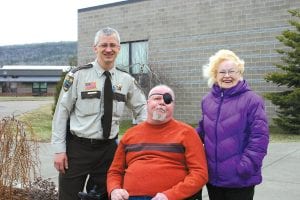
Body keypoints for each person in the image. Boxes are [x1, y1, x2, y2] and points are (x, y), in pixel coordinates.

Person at [52, 27, 147, 200]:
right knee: (69, 196)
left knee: (103, 196)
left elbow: (142, 109)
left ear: (119, 48)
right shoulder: (77, 75)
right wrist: (59, 150)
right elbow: (61, 113)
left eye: (113, 45)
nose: (108, 49)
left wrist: (139, 140)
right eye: (104, 45)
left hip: (109, 151)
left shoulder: (126, 80)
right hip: (77, 150)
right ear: (95, 48)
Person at [107, 85, 208, 200]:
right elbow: (115, 171)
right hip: (131, 196)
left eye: (167, 100)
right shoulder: (130, 134)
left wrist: (170, 195)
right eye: (157, 98)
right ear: (147, 103)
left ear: (173, 106)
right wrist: (114, 189)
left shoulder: (187, 133)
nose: (162, 102)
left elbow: (200, 173)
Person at [196, 49, 269, 200]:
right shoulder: (207, 101)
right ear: (215, 75)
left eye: (232, 71)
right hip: (213, 178)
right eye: (222, 72)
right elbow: (202, 131)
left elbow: (260, 138)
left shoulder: (252, 100)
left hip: (240, 180)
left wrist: (245, 167)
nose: (227, 76)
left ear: (240, 73)